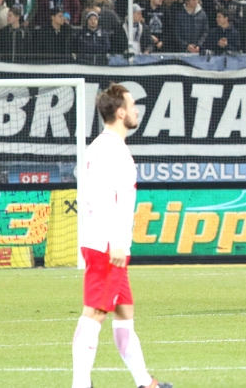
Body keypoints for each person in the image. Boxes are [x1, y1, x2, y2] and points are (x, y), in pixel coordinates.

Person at [72, 83, 172, 388]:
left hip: (103, 241)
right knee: (95, 313)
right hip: (107, 244)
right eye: (131, 104)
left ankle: (145, 382)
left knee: (124, 311)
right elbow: (104, 199)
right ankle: (80, 385)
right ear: (120, 112)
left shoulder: (101, 147)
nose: (136, 110)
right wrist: (117, 240)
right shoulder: (112, 150)